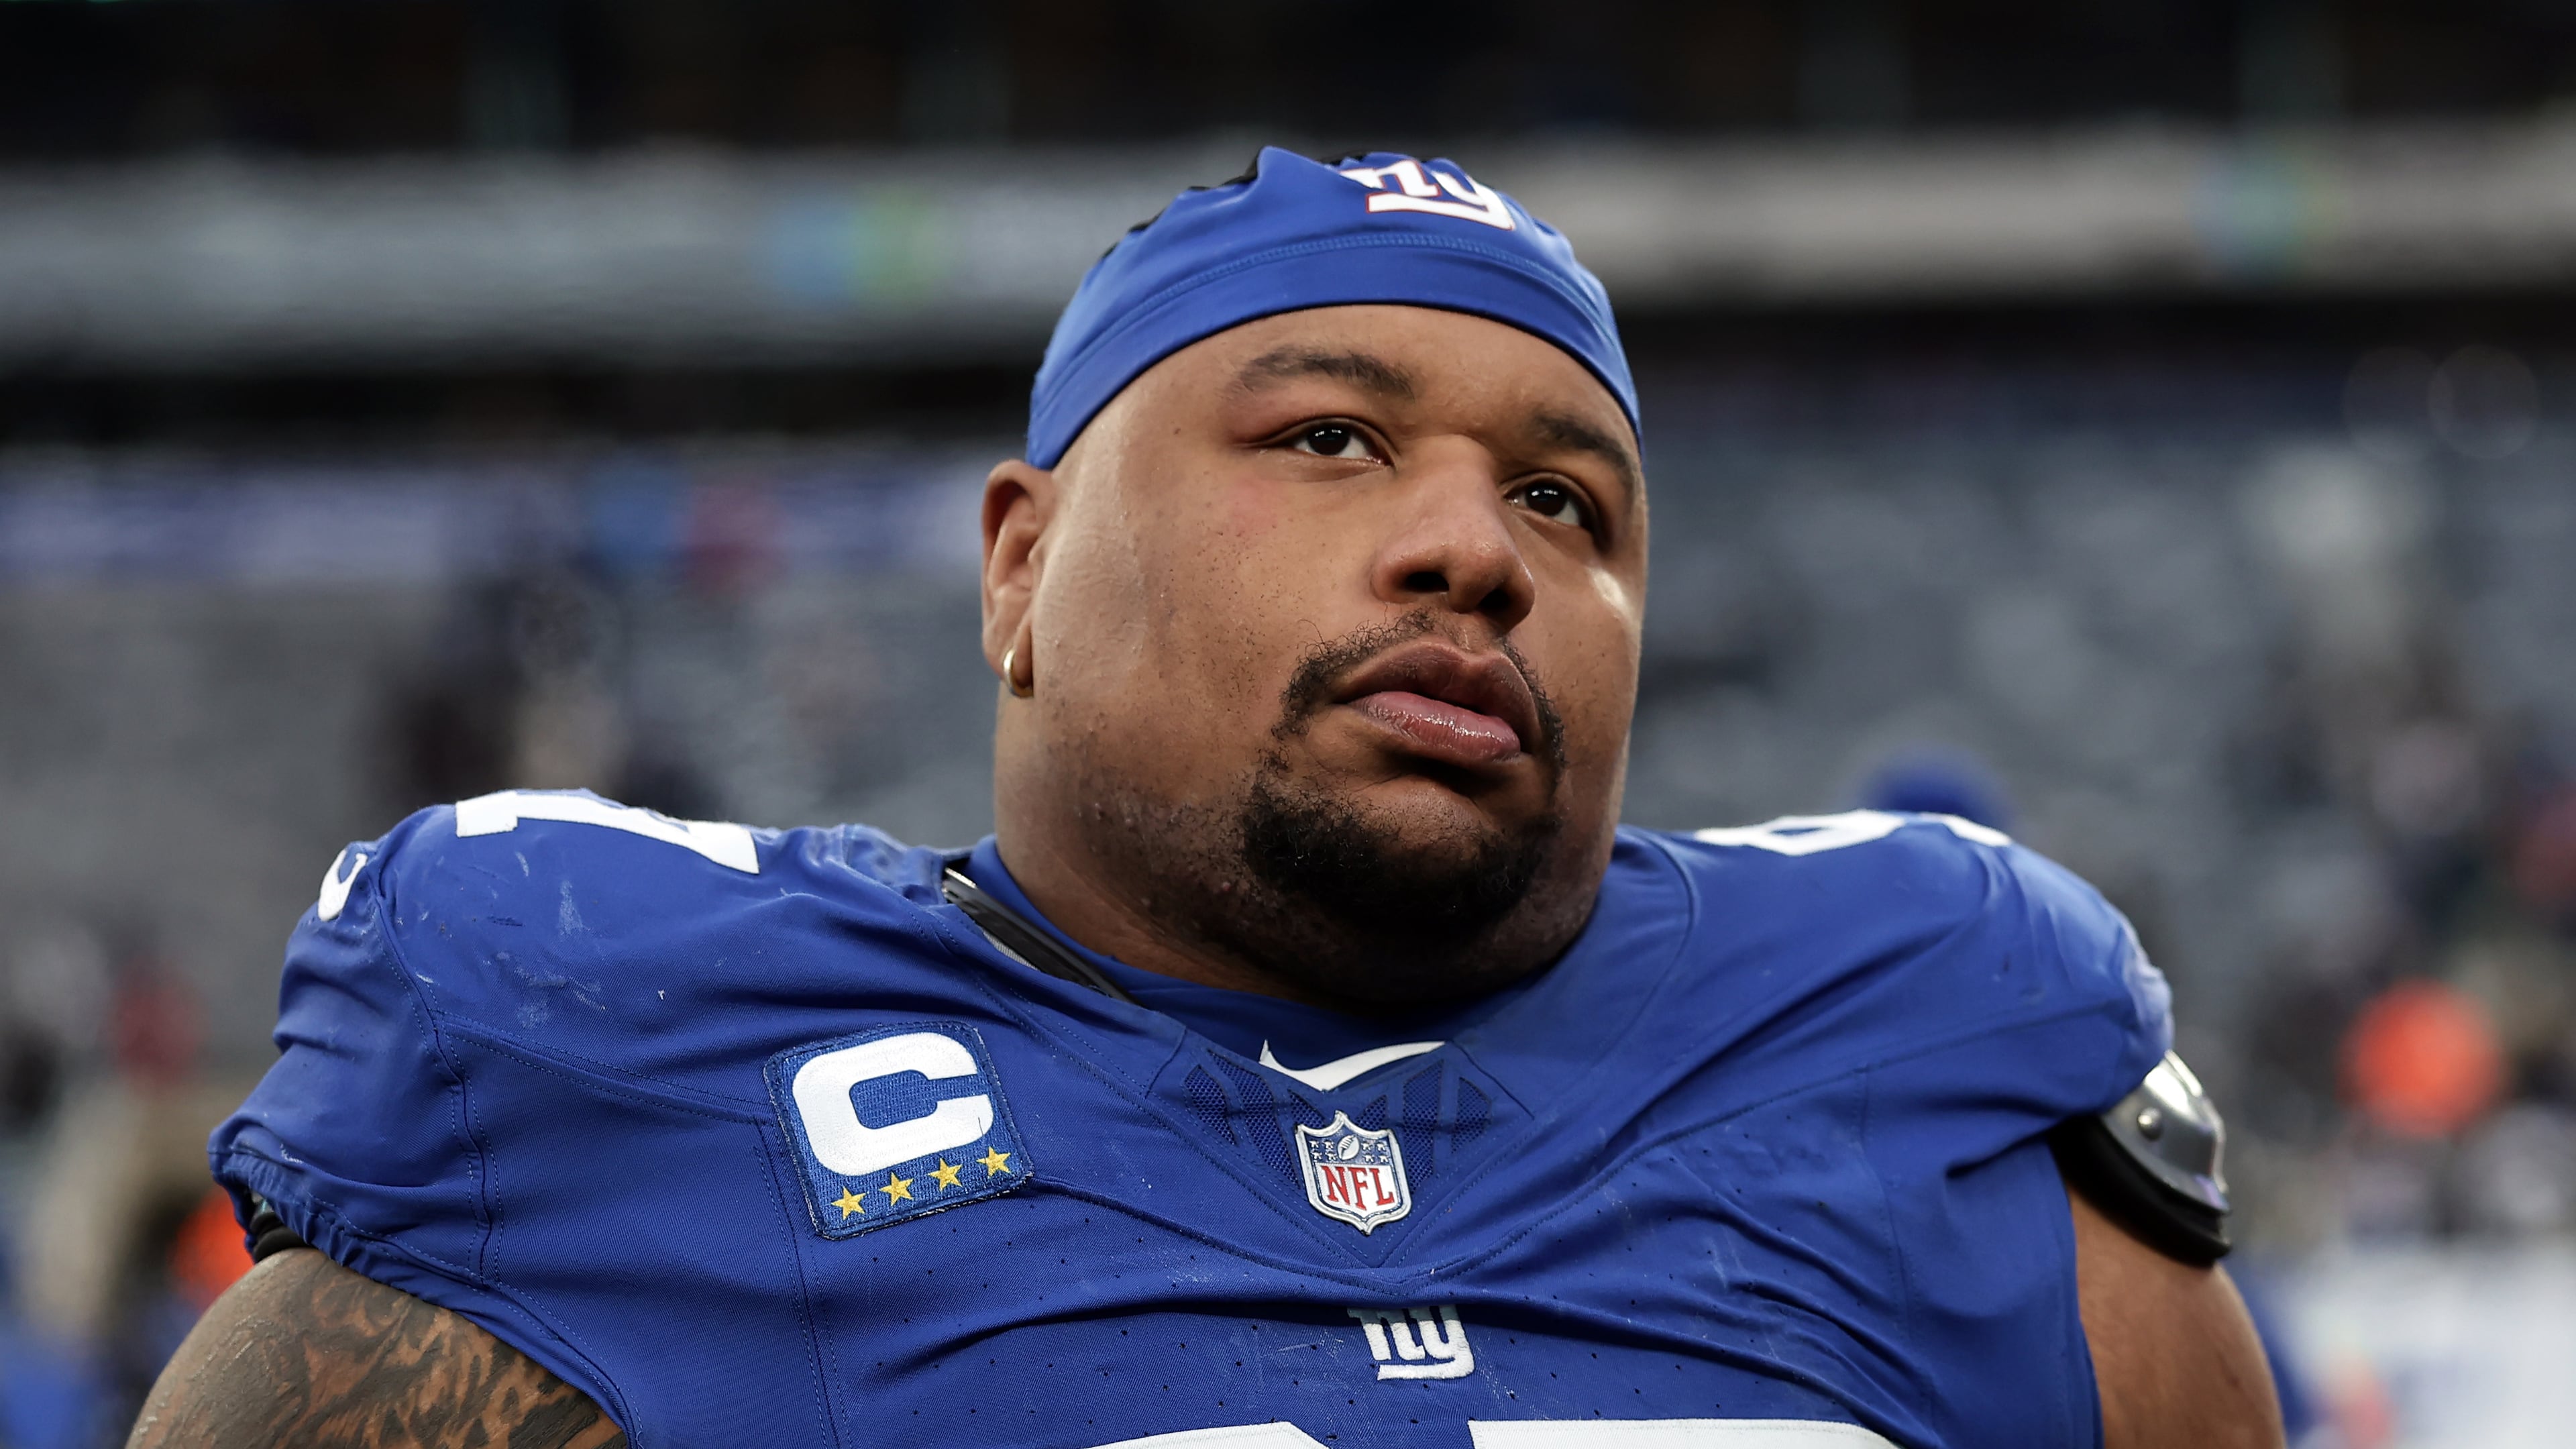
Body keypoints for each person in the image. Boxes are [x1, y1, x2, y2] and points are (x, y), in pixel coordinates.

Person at [128, 150, 2279, 1449]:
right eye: (1332, 439)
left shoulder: (1939, 1078)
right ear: (1020, 566)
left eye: (1564, 495)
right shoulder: (608, 1093)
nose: (1478, 550)